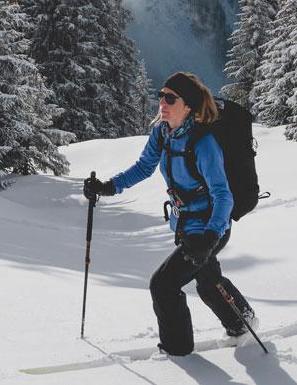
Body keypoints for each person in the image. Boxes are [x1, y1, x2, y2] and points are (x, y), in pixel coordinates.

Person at [83, 71, 255, 355]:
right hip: (185, 225)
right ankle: (242, 323)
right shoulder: (162, 132)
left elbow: (223, 195)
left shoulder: (203, 143)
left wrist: (210, 238)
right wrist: (108, 187)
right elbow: (144, 167)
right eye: (160, 95)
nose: (162, 102)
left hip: (210, 226)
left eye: (170, 98)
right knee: (208, 282)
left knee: (163, 285)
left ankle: (177, 351)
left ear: (187, 105)